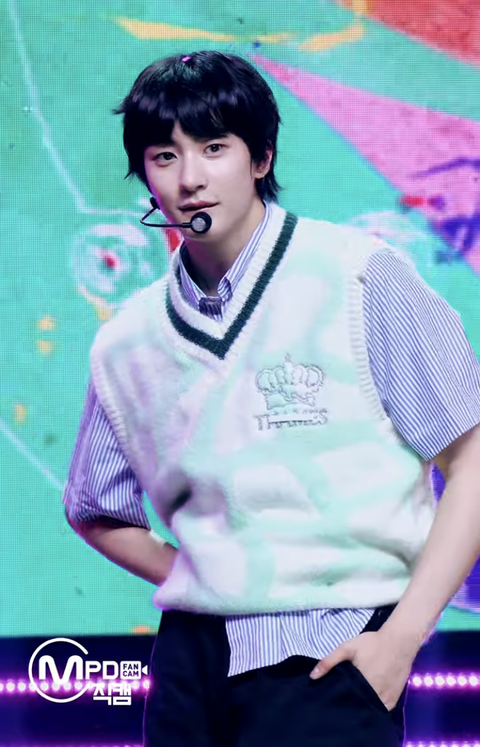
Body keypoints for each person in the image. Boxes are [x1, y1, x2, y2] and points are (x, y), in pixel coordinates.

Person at [63, 50, 480, 747]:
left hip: (334, 651)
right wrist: (208, 574)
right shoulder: (127, 338)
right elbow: (94, 510)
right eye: (164, 156)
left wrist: (400, 640)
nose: (190, 178)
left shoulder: (360, 277)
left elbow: (470, 460)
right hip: (189, 666)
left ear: (261, 158)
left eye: (214, 148)